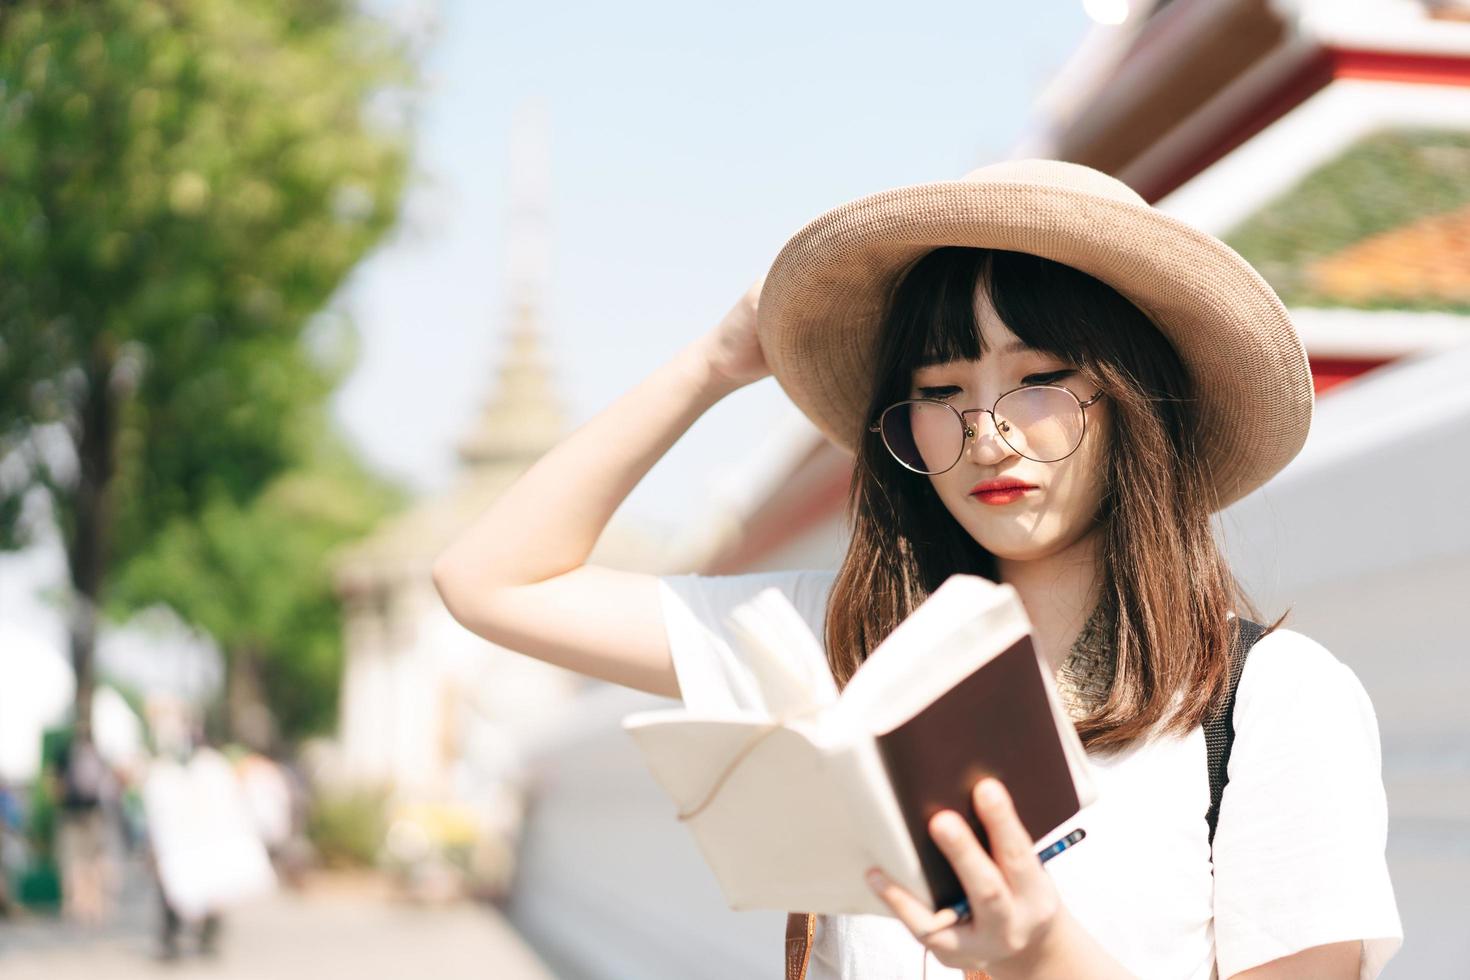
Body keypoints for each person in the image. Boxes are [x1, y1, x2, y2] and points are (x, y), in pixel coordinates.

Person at [433, 160, 1403, 979]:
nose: (987, 433)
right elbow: (491, 580)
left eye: (1037, 380)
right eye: (942, 389)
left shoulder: (1271, 700)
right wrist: (713, 365)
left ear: (1133, 399)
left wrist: (1042, 955)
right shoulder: (843, 645)